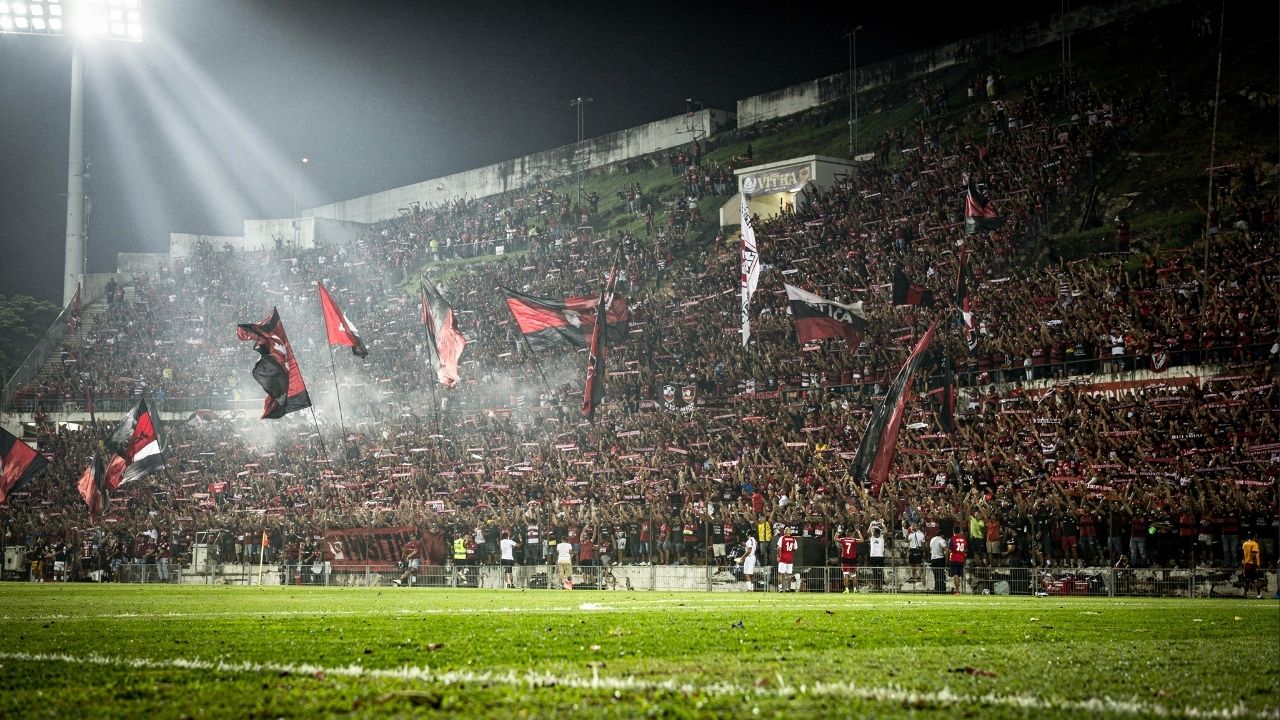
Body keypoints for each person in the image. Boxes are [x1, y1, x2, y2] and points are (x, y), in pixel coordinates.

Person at [837, 526, 863, 593]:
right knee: (853, 575)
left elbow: (835, 538)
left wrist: (838, 532)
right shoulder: (854, 540)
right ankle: (855, 590)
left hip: (845, 558)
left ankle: (847, 590)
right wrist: (858, 532)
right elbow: (862, 540)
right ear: (852, 534)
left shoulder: (843, 539)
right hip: (852, 559)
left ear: (846, 533)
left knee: (845, 574)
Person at [1241, 532, 1263, 599]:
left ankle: (1245, 594)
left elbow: (1243, 554)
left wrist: (1244, 562)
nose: (1256, 537)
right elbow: (1253, 556)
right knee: (1257, 580)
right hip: (1252, 564)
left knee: (1246, 580)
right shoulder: (1255, 544)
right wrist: (1257, 566)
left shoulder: (1245, 543)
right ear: (1254, 536)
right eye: (1256, 536)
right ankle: (1259, 595)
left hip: (1246, 564)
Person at [948, 527, 969, 595]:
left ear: (953, 531)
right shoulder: (963, 539)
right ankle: (959, 589)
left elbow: (950, 550)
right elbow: (965, 549)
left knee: (955, 575)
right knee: (959, 575)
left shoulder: (952, 539)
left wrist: (948, 558)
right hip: (961, 559)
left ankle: (957, 590)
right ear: (959, 531)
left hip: (954, 559)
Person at [776, 527, 798, 592]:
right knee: (789, 574)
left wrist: (778, 556)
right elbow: (796, 548)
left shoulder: (782, 538)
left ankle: (780, 588)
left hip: (782, 558)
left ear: (785, 532)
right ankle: (788, 588)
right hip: (790, 558)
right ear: (790, 532)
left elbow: (779, 548)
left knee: (780, 573)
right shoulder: (793, 539)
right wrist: (791, 552)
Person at [867, 519, 886, 591]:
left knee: (880, 571)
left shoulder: (882, 538)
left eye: (876, 531)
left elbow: (886, 532)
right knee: (874, 571)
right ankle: (875, 585)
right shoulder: (872, 538)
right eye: (874, 531)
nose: (874, 532)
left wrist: (882, 524)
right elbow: (868, 532)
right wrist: (871, 525)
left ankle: (880, 586)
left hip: (880, 556)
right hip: (873, 556)